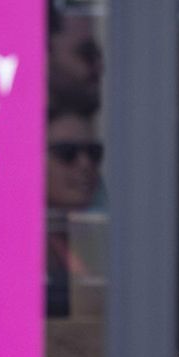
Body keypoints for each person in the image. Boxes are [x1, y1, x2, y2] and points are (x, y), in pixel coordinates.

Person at [44, 98, 103, 317]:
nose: (85, 165)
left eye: (94, 153)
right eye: (67, 153)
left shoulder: (95, 239)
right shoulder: (8, 247)